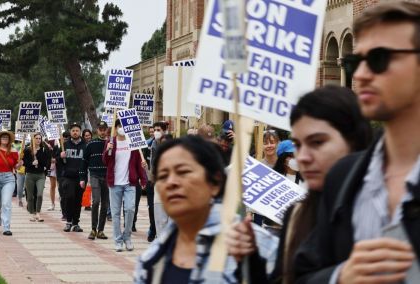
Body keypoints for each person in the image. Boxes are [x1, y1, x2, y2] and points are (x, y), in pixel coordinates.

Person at [295, 3, 420, 283]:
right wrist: (340, 276)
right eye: (355, 62)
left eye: (378, 59)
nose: (361, 75)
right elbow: (302, 273)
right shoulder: (345, 177)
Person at [226, 85, 372, 283]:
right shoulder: (296, 215)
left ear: (354, 140)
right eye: (298, 144)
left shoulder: (383, 207)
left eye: (317, 142)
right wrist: (251, 260)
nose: (302, 157)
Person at [135, 136, 278, 283]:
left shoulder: (259, 246)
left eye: (183, 172)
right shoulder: (150, 260)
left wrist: (254, 271)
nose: (171, 182)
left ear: (215, 182)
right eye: (163, 176)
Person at [103, 119, 147, 252]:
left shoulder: (133, 143)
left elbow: (138, 163)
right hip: (114, 183)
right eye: (119, 126)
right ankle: (118, 240)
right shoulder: (111, 142)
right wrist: (107, 150)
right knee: (115, 213)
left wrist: (143, 179)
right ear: (116, 128)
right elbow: (105, 161)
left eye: (124, 126)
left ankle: (127, 237)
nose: (122, 128)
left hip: (130, 183)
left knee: (130, 209)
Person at [0, 130, 21, 236]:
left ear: (9, 139)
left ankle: (6, 227)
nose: (5, 139)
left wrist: (19, 164)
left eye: (7, 137)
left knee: (6, 203)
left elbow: (15, 167)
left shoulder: (14, 151)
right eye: (3, 137)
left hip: (9, 178)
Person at [80, 121, 109, 240]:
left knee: (105, 204)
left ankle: (101, 230)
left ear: (107, 130)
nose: (102, 131)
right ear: (97, 130)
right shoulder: (91, 143)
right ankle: (93, 229)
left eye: (104, 129)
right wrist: (82, 178)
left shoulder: (111, 143)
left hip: (107, 176)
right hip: (94, 175)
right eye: (100, 129)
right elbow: (84, 161)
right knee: (96, 201)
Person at [58, 122, 86, 232]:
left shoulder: (85, 145)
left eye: (77, 130)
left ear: (80, 132)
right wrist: (60, 156)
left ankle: (76, 223)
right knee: (69, 198)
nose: (75, 132)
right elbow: (56, 160)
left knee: (78, 200)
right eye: (73, 130)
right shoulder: (64, 144)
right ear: (70, 132)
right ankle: (68, 222)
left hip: (80, 177)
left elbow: (87, 161)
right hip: (68, 177)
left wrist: (85, 177)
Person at [23, 133, 51, 222]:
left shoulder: (43, 150)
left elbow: (47, 161)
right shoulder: (27, 150)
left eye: (40, 138)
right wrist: (32, 162)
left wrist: (45, 167)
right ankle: (32, 213)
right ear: (33, 139)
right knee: (30, 196)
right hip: (30, 175)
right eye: (36, 138)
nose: (38, 140)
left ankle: (38, 212)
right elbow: (24, 162)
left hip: (40, 175)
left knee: (39, 194)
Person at [55, 131, 70, 220]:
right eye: (64, 137)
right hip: (61, 175)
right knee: (63, 194)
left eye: (67, 137)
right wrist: (60, 156)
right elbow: (55, 159)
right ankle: (64, 213)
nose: (65, 139)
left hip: (71, 174)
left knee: (71, 195)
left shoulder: (71, 146)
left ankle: (71, 212)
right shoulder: (58, 147)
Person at [45, 140, 57, 211]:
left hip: (60, 166)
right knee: (52, 186)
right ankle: (52, 204)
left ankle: (63, 204)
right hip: (51, 167)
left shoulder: (59, 140)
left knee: (61, 186)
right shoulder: (46, 141)